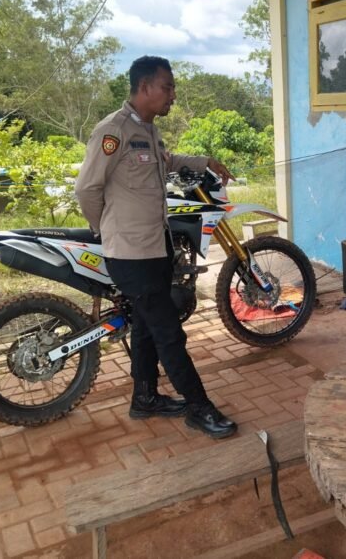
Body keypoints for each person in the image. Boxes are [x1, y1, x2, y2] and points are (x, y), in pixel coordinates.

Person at [75, 56, 237, 439]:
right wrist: (106, 229)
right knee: (169, 333)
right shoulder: (112, 131)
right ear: (145, 87)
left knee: (147, 327)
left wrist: (205, 161)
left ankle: (145, 397)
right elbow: (86, 188)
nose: (173, 95)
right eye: (167, 87)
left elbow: (166, 162)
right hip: (130, 253)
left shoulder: (147, 130)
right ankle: (199, 407)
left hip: (155, 246)